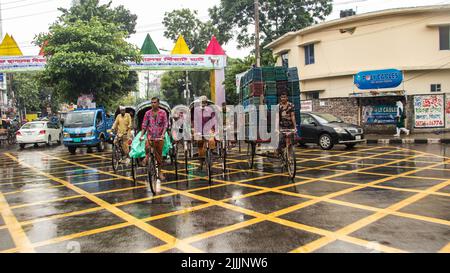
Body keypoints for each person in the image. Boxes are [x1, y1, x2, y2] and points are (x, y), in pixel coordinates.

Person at [139, 97, 168, 182]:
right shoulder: (147, 113)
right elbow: (144, 125)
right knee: (147, 147)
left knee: (159, 156)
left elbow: (165, 124)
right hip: (150, 136)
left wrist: (163, 134)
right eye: (152, 102)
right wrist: (141, 135)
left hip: (159, 137)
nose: (153, 104)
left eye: (155, 102)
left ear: (158, 103)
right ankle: (147, 158)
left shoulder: (163, 113)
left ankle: (160, 173)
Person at [193, 96, 217, 171]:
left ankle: (211, 155)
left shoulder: (210, 110)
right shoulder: (196, 111)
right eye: (201, 102)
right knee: (200, 145)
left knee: (211, 141)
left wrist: (215, 130)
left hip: (209, 129)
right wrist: (196, 131)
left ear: (206, 103)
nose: (203, 104)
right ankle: (201, 163)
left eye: (204, 102)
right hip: (200, 130)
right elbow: (196, 122)